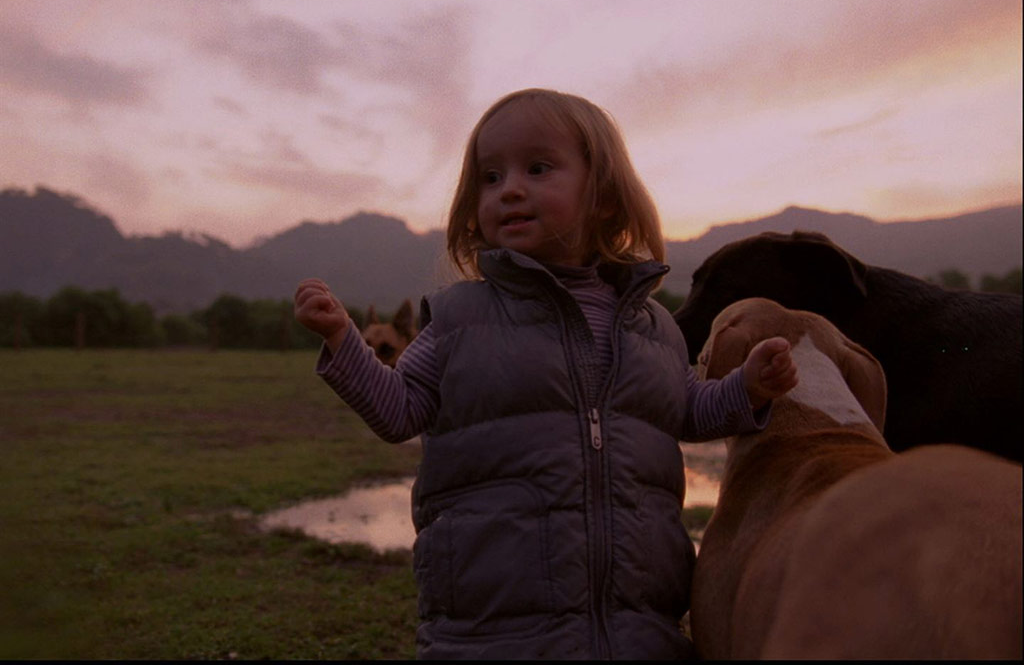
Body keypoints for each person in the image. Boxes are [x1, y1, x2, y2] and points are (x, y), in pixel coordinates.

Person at [294, 88, 798, 659]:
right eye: (489, 177)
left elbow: (684, 409)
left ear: (605, 197)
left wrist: (747, 388)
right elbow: (397, 409)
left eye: (537, 168)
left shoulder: (653, 325)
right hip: (492, 631)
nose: (509, 188)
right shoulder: (461, 319)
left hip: (639, 628)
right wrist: (342, 339)